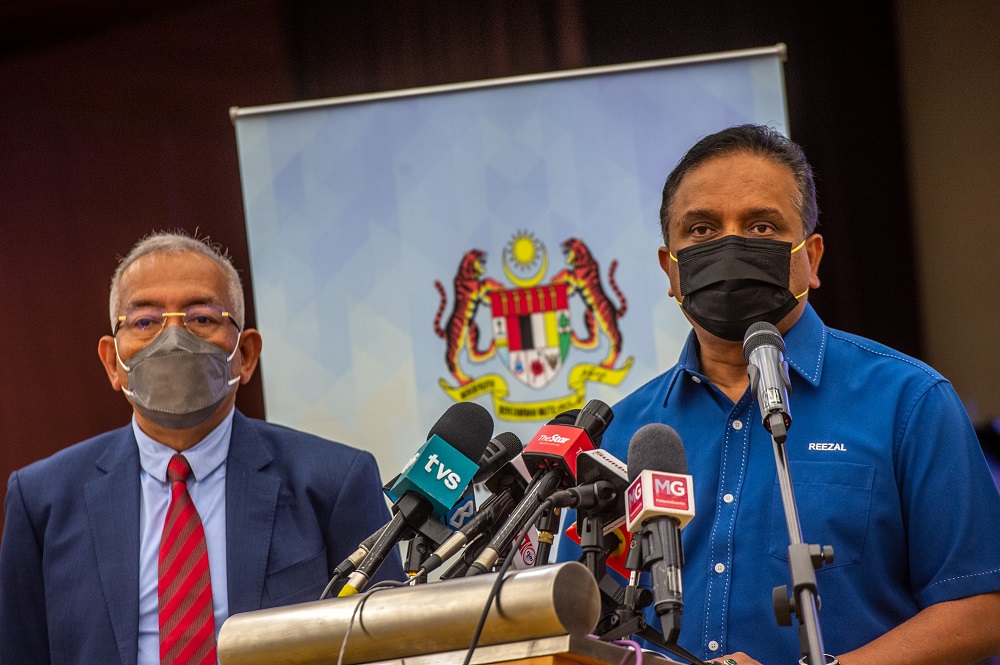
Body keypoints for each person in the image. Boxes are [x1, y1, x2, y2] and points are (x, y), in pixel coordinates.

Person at [559, 125, 1000, 665]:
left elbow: (982, 606)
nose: (729, 246)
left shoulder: (908, 402)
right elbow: (572, 625)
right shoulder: (621, 436)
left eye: (761, 226)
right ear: (669, 270)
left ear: (811, 258)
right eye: (701, 229)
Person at [0, 231, 403, 665]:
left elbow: (390, 649)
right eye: (145, 322)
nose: (173, 338)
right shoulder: (42, 500)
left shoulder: (334, 483)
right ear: (113, 362)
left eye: (202, 318)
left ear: (245, 355)